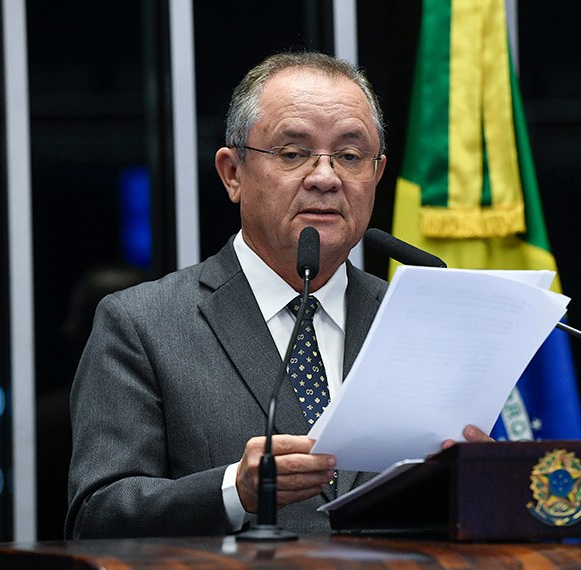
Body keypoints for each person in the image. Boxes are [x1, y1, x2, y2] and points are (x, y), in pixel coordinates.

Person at [65, 50, 491, 540]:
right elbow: (96, 516)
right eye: (293, 154)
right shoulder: (143, 324)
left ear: (376, 174)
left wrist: (479, 480)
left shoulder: (420, 324)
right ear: (233, 173)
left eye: (350, 156)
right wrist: (234, 490)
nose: (325, 178)